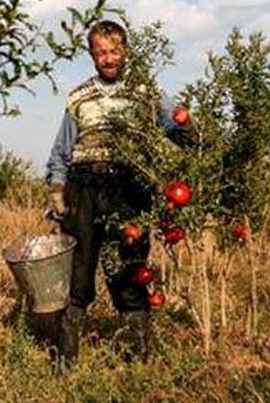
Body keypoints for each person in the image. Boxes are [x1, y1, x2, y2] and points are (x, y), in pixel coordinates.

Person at [45, 19, 194, 365]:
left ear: (125, 51)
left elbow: (175, 125)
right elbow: (62, 151)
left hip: (128, 187)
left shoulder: (147, 91)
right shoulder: (78, 97)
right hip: (83, 187)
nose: (108, 59)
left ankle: (137, 357)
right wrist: (57, 189)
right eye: (101, 53)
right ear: (92, 56)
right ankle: (65, 360)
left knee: (129, 268)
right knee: (77, 271)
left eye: (114, 51)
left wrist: (195, 135)